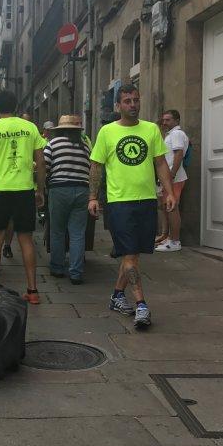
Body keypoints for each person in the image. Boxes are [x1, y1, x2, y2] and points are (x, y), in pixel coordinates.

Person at [89, 84, 175, 329]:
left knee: (133, 254)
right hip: (119, 202)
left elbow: (160, 164)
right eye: (127, 101)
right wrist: (92, 197)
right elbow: (96, 166)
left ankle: (117, 296)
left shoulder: (151, 130)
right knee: (130, 255)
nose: (133, 105)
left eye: (136, 100)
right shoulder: (107, 132)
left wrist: (168, 193)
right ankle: (141, 305)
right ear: (118, 106)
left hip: (146, 201)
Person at [0, 90, 46, 300]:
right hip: (24, 189)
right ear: (16, 106)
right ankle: (33, 290)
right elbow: (41, 162)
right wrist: (40, 189)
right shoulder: (30, 127)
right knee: (26, 239)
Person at [43, 115, 91, 284]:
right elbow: (90, 168)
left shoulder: (53, 144)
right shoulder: (85, 146)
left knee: (58, 231)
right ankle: (76, 273)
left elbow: (45, 166)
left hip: (59, 189)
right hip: (82, 190)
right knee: (77, 233)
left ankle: (57, 268)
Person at [156, 109, 189, 252]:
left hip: (173, 178)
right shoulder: (171, 134)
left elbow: (179, 154)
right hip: (169, 177)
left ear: (177, 120)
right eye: (163, 120)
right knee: (166, 207)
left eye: (168, 120)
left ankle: (175, 241)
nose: (164, 122)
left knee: (172, 208)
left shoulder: (177, 134)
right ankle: (167, 237)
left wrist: (171, 175)